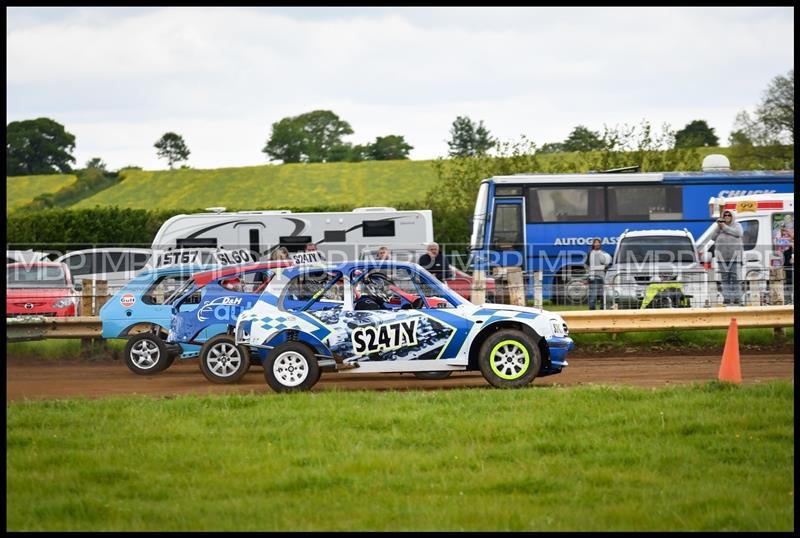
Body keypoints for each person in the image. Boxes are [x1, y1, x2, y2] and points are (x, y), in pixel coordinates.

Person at [709, 209, 744, 305]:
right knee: (725, 279)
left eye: (729, 215)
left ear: (732, 216)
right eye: (725, 215)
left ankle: (737, 298)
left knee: (736, 279)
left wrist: (724, 227)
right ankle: (727, 298)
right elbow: (712, 237)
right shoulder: (719, 228)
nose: (727, 216)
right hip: (722, 258)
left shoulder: (737, 226)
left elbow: (739, 234)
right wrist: (718, 226)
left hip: (735, 258)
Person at [586, 238, 612, 310]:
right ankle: (592, 310)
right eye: (595, 243)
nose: (597, 244)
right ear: (593, 244)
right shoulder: (590, 253)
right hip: (593, 277)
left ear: (600, 244)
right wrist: (586, 277)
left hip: (602, 277)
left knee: (603, 295)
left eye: (598, 243)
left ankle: (602, 308)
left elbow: (607, 264)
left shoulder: (604, 253)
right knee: (593, 295)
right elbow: (587, 265)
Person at [783, 239, 794, 305]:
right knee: (790, 290)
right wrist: (790, 261)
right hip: (790, 276)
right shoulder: (786, 252)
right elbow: (784, 264)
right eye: (792, 242)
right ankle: (790, 302)